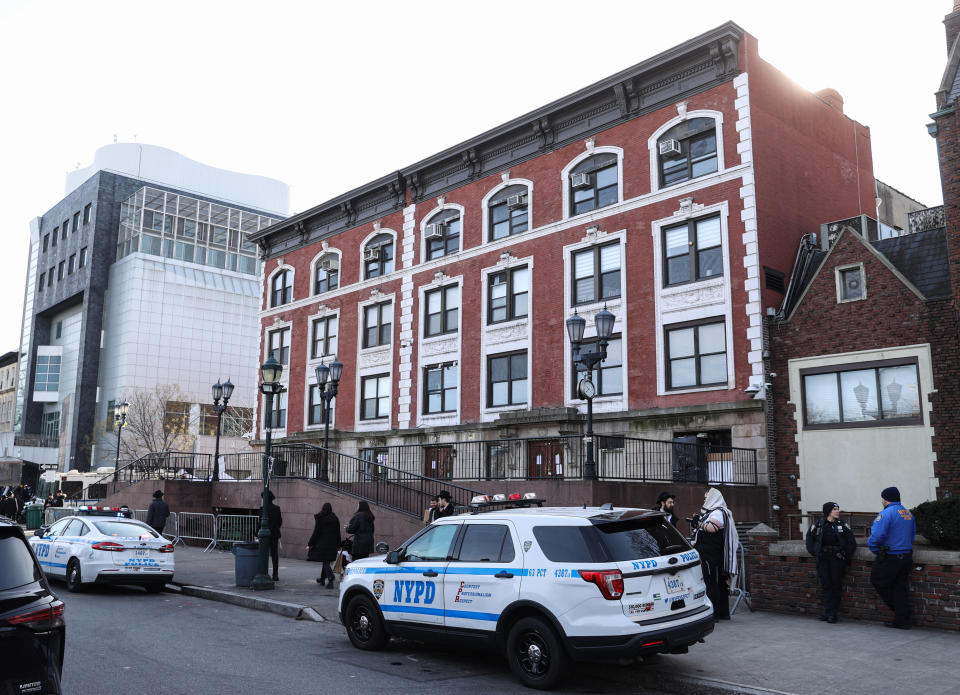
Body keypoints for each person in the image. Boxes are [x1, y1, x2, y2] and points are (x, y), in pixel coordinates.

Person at [868, 486, 916, 629]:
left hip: (891, 556)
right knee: (899, 587)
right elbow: (912, 534)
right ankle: (902, 619)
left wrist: (876, 550)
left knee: (878, 581)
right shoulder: (907, 513)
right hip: (906, 555)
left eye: (882, 498)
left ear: (885, 499)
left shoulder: (886, 514)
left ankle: (902, 614)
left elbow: (876, 536)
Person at [805, 502, 857, 623]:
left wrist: (845, 555)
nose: (837, 511)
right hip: (823, 559)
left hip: (837, 559)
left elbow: (851, 542)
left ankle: (833, 614)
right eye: (835, 509)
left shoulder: (843, 525)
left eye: (838, 509)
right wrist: (815, 552)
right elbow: (809, 540)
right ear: (828, 511)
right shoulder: (818, 525)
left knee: (836, 585)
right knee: (826, 585)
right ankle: (828, 611)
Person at [693, 487, 740, 621]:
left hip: (711, 554)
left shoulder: (718, 513)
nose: (704, 500)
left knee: (712, 582)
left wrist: (699, 524)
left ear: (713, 498)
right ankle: (723, 612)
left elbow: (713, 528)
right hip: (711, 553)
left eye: (706, 497)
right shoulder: (717, 512)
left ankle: (714, 613)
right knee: (718, 582)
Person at [308, 502, 340, 588]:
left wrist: (310, 543)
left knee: (326, 562)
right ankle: (322, 579)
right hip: (332, 543)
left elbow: (316, 532)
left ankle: (330, 578)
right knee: (326, 561)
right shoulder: (335, 518)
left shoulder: (320, 518)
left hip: (323, 544)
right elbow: (338, 532)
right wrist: (339, 544)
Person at [265, 490, 283, 581]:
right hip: (274, 534)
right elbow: (280, 521)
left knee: (264, 554)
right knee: (274, 555)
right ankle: (275, 574)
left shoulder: (263, 509)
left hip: (265, 535)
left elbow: (259, 523)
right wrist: (275, 528)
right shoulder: (277, 508)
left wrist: (256, 533)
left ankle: (264, 572)